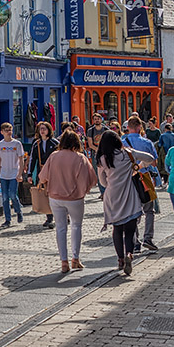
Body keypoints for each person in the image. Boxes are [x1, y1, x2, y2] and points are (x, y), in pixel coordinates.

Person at [97, 130, 155, 276]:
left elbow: (103, 182)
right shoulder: (128, 153)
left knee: (117, 229)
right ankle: (130, 254)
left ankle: (120, 259)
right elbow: (149, 157)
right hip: (129, 195)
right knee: (130, 230)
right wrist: (138, 167)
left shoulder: (103, 159)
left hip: (112, 196)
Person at [38, 130, 97, 273]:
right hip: (75, 198)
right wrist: (84, 191)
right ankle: (75, 259)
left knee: (60, 228)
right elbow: (89, 179)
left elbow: (43, 177)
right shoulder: (80, 158)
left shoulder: (53, 156)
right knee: (76, 226)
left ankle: (64, 261)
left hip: (55, 197)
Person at [122, 116, 160, 252]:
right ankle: (148, 238)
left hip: (128, 179)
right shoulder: (147, 142)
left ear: (128, 127)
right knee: (149, 210)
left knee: (133, 211)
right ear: (139, 127)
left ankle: (135, 241)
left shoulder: (122, 142)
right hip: (144, 177)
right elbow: (154, 163)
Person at [27, 121, 58, 229]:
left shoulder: (55, 143)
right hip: (42, 171)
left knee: (55, 194)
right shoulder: (37, 143)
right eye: (41, 129)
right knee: (45, 194)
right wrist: (29, 174)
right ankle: (49, 217)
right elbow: (32, 159)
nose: (42, 131)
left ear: (49, 130)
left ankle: (61, 215)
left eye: (44, 128)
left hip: (54, 172)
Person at [0, 123, 24, 227]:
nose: (9, 132)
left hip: (13, 173)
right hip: (3, 174)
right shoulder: (0, 145)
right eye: (6, 130)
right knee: (5, 197)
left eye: (10, 130)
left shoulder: (17, 144)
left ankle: (18, 210)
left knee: (12, 194)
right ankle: (7, 219)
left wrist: (20, 173)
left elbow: (21, 159)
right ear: (2, 132)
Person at [87, 113, 106, 195]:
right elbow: (90, 144)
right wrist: (98, 150)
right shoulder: (90, 131)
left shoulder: (106, 130)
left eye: (98, 118)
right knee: (99, 174)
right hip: (96, 155)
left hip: (105, 154)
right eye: (95, 119)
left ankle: (107, 190)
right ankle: (103, 192)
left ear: (101, 120)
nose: (97, 120)